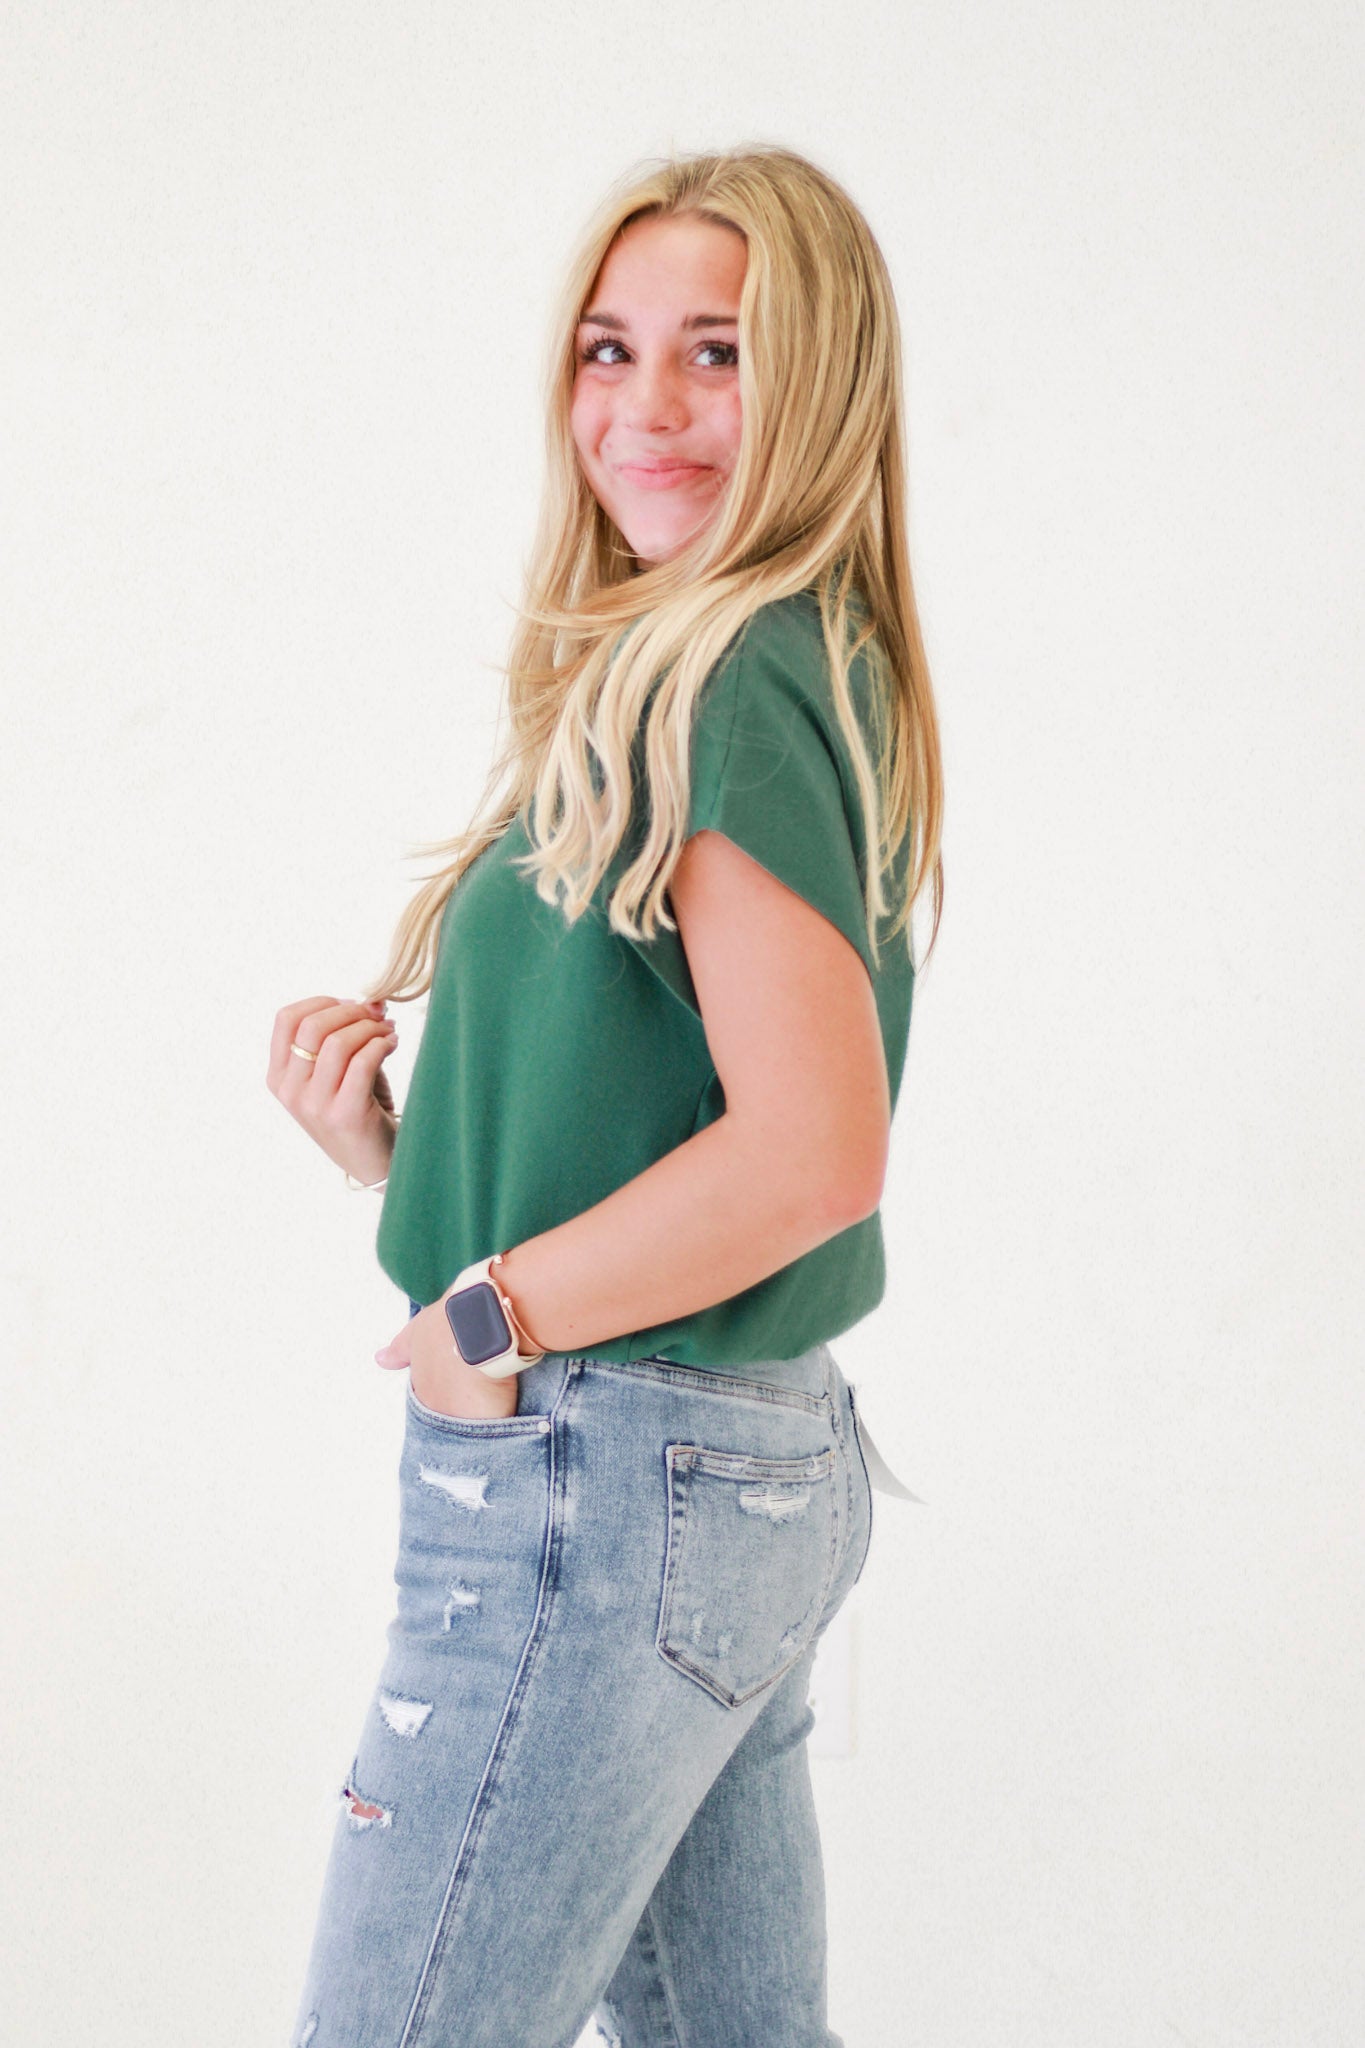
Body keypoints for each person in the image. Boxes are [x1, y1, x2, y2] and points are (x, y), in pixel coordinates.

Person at [267, 142, 944, 2048]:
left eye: (716, 351)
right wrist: (404, 1166)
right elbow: (677, 1105)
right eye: (607, 348)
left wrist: (485, 1317)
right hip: (717, 1454)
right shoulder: (770, 662)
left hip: (606, 1463)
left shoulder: (722, 678)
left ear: (820, 381)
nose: (644, 408)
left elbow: (811, 1153)